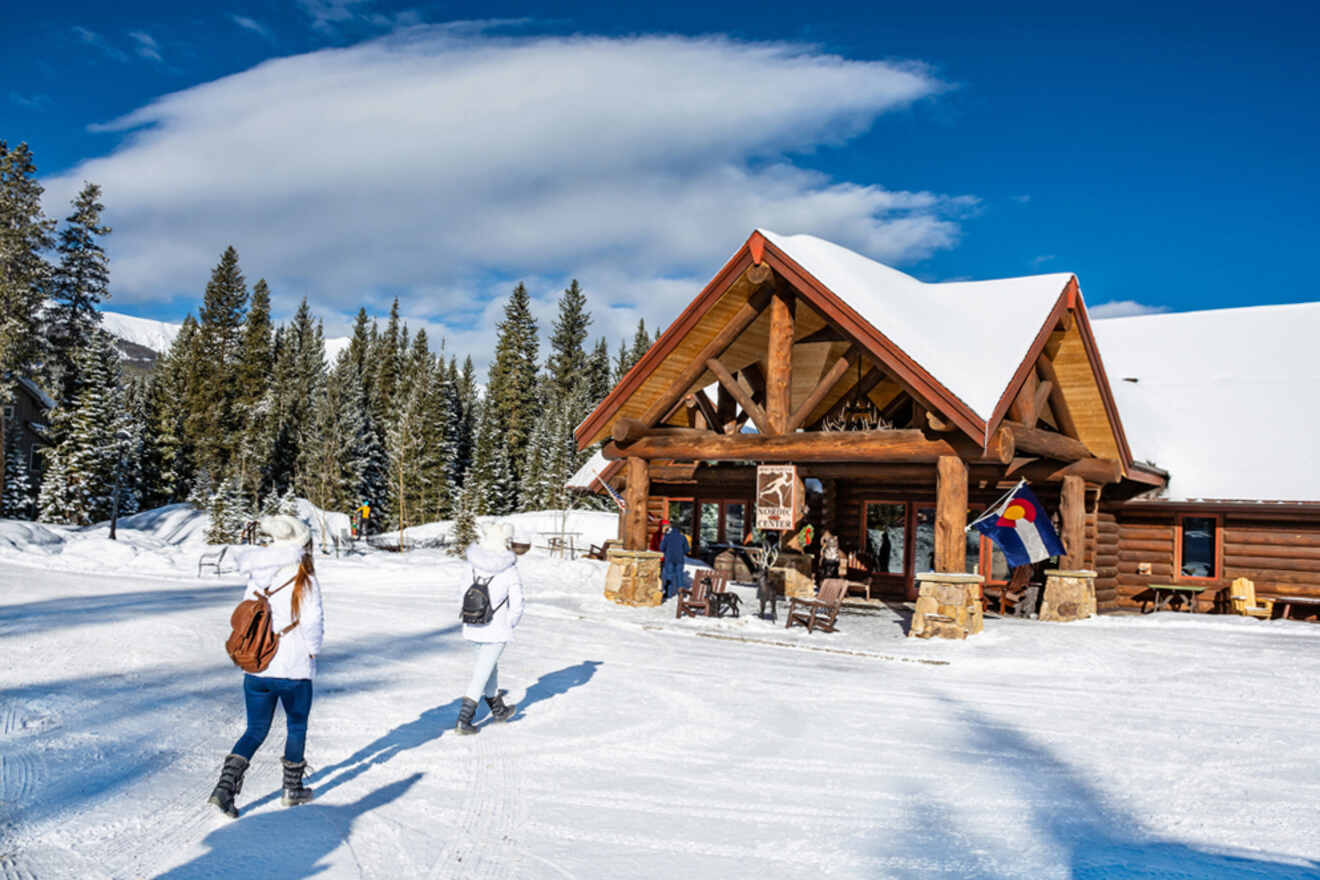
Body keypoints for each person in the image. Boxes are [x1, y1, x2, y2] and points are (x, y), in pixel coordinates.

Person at [209, 515, 324, 819]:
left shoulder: (256, 576)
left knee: (255, 730)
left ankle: (224, 789)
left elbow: (245, 619)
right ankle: (292, 789)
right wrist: (312, 652)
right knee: (296, 726)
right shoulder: (305, 578)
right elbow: (312, 622)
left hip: (257, 665)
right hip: (293, 667)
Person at [456, 521, 525, 734]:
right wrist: (508, 624)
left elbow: (461, 594)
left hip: (472, 624)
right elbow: (518, 603)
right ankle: (464, 720)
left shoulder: (472, 565)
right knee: (481, 673)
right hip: (496, 630)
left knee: (488, 667)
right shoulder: (509, 569)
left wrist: (468, 618)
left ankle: (498, 710)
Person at [659, 520, 689, 601]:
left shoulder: (667, 537)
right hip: (679, 559)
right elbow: (687, 550)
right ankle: (681, 593)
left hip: (669, 559)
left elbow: (661, 548)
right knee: (680, 576)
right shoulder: (683, 537)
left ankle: (668, 594)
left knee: (669, 575)